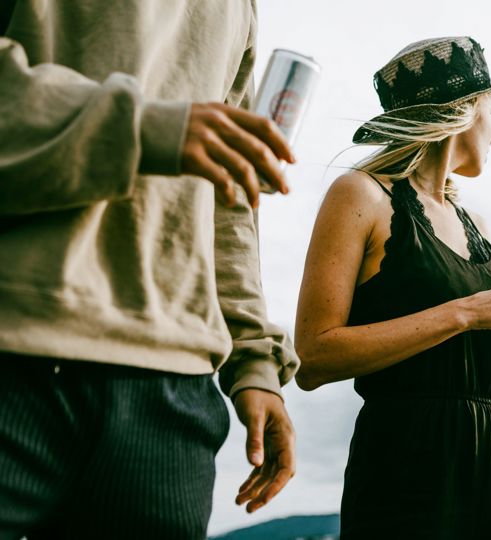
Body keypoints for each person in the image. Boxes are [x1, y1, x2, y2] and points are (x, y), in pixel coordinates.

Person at [0, 1, 299, 538]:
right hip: (17, 344)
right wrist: (143, 127)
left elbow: (230, 202)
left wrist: (256, 361)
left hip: (173, 392)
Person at [295, 37, 491, 539]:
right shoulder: (361, 194)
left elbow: (479, 375)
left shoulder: (474, 222)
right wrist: (468, 310)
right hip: (412, 469)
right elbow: (312, 357)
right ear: (465, 110)